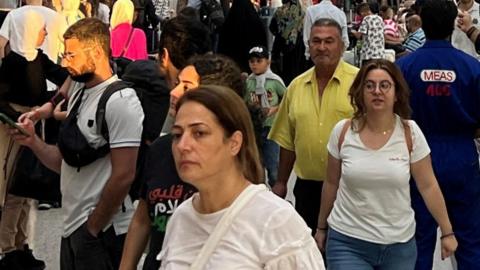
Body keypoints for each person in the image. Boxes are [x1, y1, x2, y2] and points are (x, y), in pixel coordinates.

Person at [10, 18, 144, 270]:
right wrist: (34, 141)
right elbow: (65, 162)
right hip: (73, 227)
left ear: (96, 52)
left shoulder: (122, 101)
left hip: (101, 232)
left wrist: (93, 226)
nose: (64, 62)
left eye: (71, 54)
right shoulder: (79, 92)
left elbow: (124, 175)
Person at [158, 85, 325, 269]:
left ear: (234, 143)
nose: (183, 145)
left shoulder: (275, 220)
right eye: (177, 135)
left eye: (199, 133)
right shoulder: (181, 218)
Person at [315, 59, 458, 269]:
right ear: (360, 92)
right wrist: (321, 228)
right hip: (348, 241)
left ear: (396, 92)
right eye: (369, 85)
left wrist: (447, 232)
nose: (377, 91)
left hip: (398, 245)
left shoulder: (410, 133)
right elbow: (331, 183)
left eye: (385, 85)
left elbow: (428, 186)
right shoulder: (343, 132)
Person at [119, 54, 244, 270]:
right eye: (177, 84)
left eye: (186, 87)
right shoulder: (159, 149)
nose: (174, 93)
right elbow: (142, 218)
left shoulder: (237, 163)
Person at [396, 0, 480, 268]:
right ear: (453, 23)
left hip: (416, 157)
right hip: (461, 156)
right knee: (468, 239)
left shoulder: (404, 67)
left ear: (421, 21)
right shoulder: (472, 67)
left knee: (418, 239)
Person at [268, 18, 358, 236]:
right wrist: (281, 182)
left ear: (342, 45)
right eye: (316, 41)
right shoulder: (296, 87)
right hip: (306, 189)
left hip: (350, 190)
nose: (322, 47)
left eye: (329, 41)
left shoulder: (359, 83)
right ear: (308, 45)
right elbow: (288, 140)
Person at [0, 9, 68, 270]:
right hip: (17, 130)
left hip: (32, 126)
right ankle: (8, 249)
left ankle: (22, 242)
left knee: (30, 190)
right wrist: (14, 120)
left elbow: (60, 73)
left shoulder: (37, 57)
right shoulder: (12, 63)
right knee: (15, 190)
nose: (45, 32)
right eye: (40, 28)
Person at [244, 46, 286, 187]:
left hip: (271, 129)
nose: (254, 64)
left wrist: (275, 109)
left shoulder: (274, 81)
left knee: (273, 167)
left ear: (267, 62)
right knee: (256, 165)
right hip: (254, 128)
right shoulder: (249, 82)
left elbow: (287, 99)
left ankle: (277, 193)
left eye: (259, 60)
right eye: (252, 61)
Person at [217, 0, 267, 72]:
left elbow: (222, 46)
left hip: (233, 65)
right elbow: (262, 41)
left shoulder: (229, 23)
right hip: (252, 64)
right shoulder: (255, 21)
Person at [269, 0, 305, 85]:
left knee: (283, 74)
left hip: (282, 48)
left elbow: (272, 28)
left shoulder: (280, 11)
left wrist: (282, 32)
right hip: (298, 47)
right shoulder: (301, 12)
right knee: (296, 73)